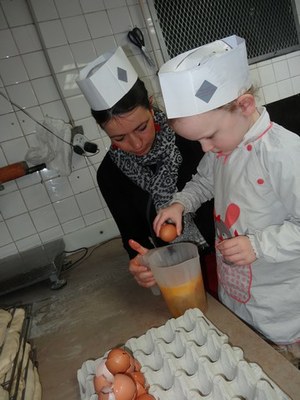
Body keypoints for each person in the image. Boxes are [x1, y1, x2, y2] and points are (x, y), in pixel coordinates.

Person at [152, 34, 300, 365]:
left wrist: (258, 246)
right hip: (241, 295)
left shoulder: (283, 154)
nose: (204, 148)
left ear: (244, 106)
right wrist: (181, 203)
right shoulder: (223, 148)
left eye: (209, 136)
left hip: (285, 308)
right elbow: (205, 181)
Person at [76, 47, 216, 295]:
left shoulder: (191, 137)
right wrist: (140, 263)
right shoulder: (110, 174)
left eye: (141, 127)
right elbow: (134, 240)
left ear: (151, 107)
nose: (136, 144)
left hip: (228, 250)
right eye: (119, 137)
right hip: (175, 269)